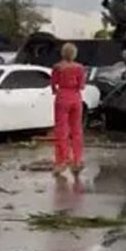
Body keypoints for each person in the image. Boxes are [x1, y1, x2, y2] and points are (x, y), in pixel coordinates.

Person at [51, 43, 86, 176]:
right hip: (76, 98)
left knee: (61, 130)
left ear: (63, 53)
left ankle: (62, 161)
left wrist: (57, 90)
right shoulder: (80, 68)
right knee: (76, 130)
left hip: (62, 97)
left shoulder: (57, 67)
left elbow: (53, 85)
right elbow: (81, 85)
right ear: (74, 54)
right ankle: (77, 160)